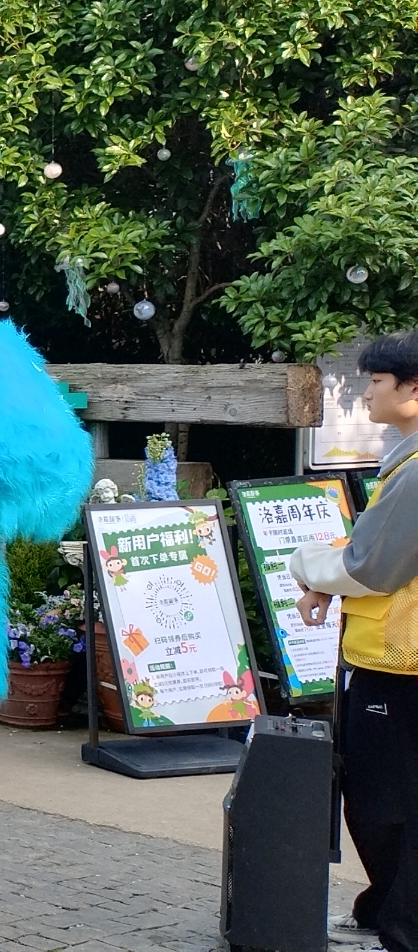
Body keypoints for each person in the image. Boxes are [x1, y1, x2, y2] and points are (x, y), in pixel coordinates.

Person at [291, 331, 418, 952]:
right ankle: (383, 910)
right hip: (397, 657)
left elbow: (373, 564)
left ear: (413, 389)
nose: (365, 391)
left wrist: (305, 567)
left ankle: (402, 925)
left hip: (400, 665)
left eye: (376, 381)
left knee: (380, 803)